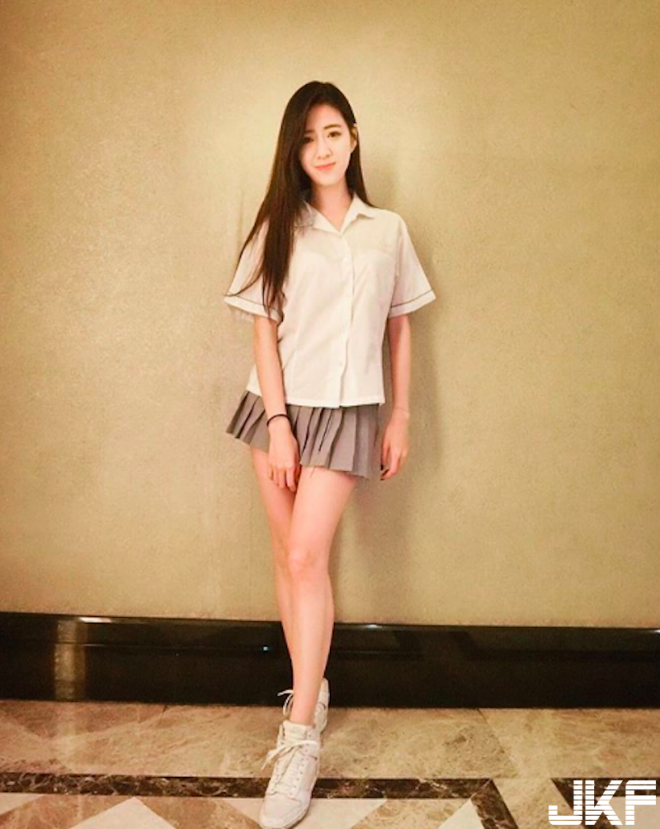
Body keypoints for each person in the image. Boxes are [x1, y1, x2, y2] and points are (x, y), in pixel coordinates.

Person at [223, 81, 436, 829]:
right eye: (309, 136)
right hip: (278, 407)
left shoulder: (388, 230)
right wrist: (278, 423)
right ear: (294, 148)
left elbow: (400, 326)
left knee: (307, 555)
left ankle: (299, 737)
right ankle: (309, 692)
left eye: (334, 132)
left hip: (350, 411)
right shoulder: (277, 228)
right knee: (288, 561)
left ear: (353, 138)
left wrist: (400, 414)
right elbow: (263, 328)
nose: (323, 148)